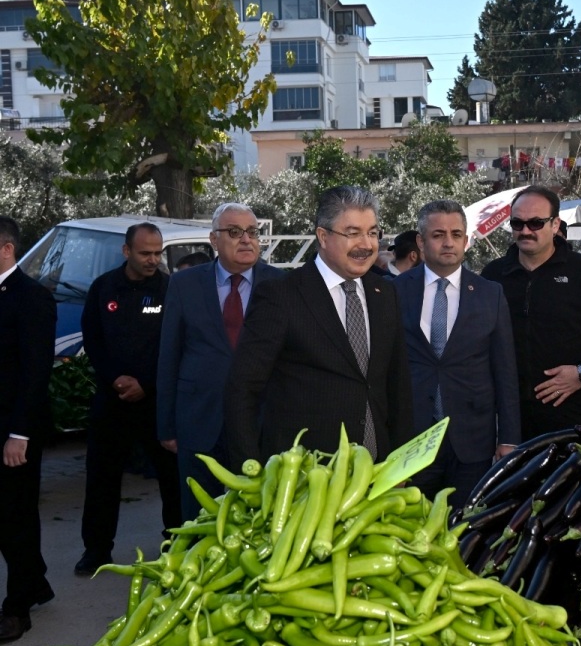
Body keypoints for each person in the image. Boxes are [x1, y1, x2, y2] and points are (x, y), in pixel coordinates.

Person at [225, 186, 414, 465]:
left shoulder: (386, 294)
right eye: (352, 233)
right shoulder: (281, 295)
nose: (366, 244)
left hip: (379, 471)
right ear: (323, 237)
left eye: (372, 233)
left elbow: (398, 387)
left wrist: (403, 463)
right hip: (305, 476)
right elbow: (243, 389)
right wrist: (250, 473)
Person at [158, 203, 284, 520]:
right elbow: (169, 356)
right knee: (198, 516)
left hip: (263, 422)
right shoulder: (184, 284)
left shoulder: (282, 285)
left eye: (253, 232)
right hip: (199, 420)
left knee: (258, 516)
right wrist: (166, 425)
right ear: (214, 240)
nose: (246, 239)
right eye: (234, 232)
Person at [481, 185, 581, 438]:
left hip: (575, 416)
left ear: (555, 225)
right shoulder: (493, 275)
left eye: (535, 223)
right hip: (511, 419)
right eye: (517, 224)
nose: (526, 231)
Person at [396, 199, 520, 507]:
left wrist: (509, 438)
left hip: (472, 441)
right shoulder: (394, 291)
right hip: (411, 440)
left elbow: (504, 371)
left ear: (466, 240)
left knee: (466, 532)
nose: (448, 242)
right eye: (438, 235)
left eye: (456, 234)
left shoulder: (490, 294)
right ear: (421, 242)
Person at [76, 223, 182, 575]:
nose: (153, 260)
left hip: (156, 402)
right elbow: (92, 339)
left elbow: (175, 347)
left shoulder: (171, 289)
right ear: (127, 252)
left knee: (171, 478)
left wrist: (147, 384)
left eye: (158, 253)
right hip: (112, 399)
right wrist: (114, 378)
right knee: (102, 478)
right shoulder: (104, 287)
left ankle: (175, 544)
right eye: (145, 253)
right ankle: (96, 551)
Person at [0, 217, 55, 642]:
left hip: (14, 430)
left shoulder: (32, 298)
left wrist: (20, 433)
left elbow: (36, 373)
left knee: (15, 517)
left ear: (6, 249)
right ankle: (34, 580)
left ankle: (17, 608)